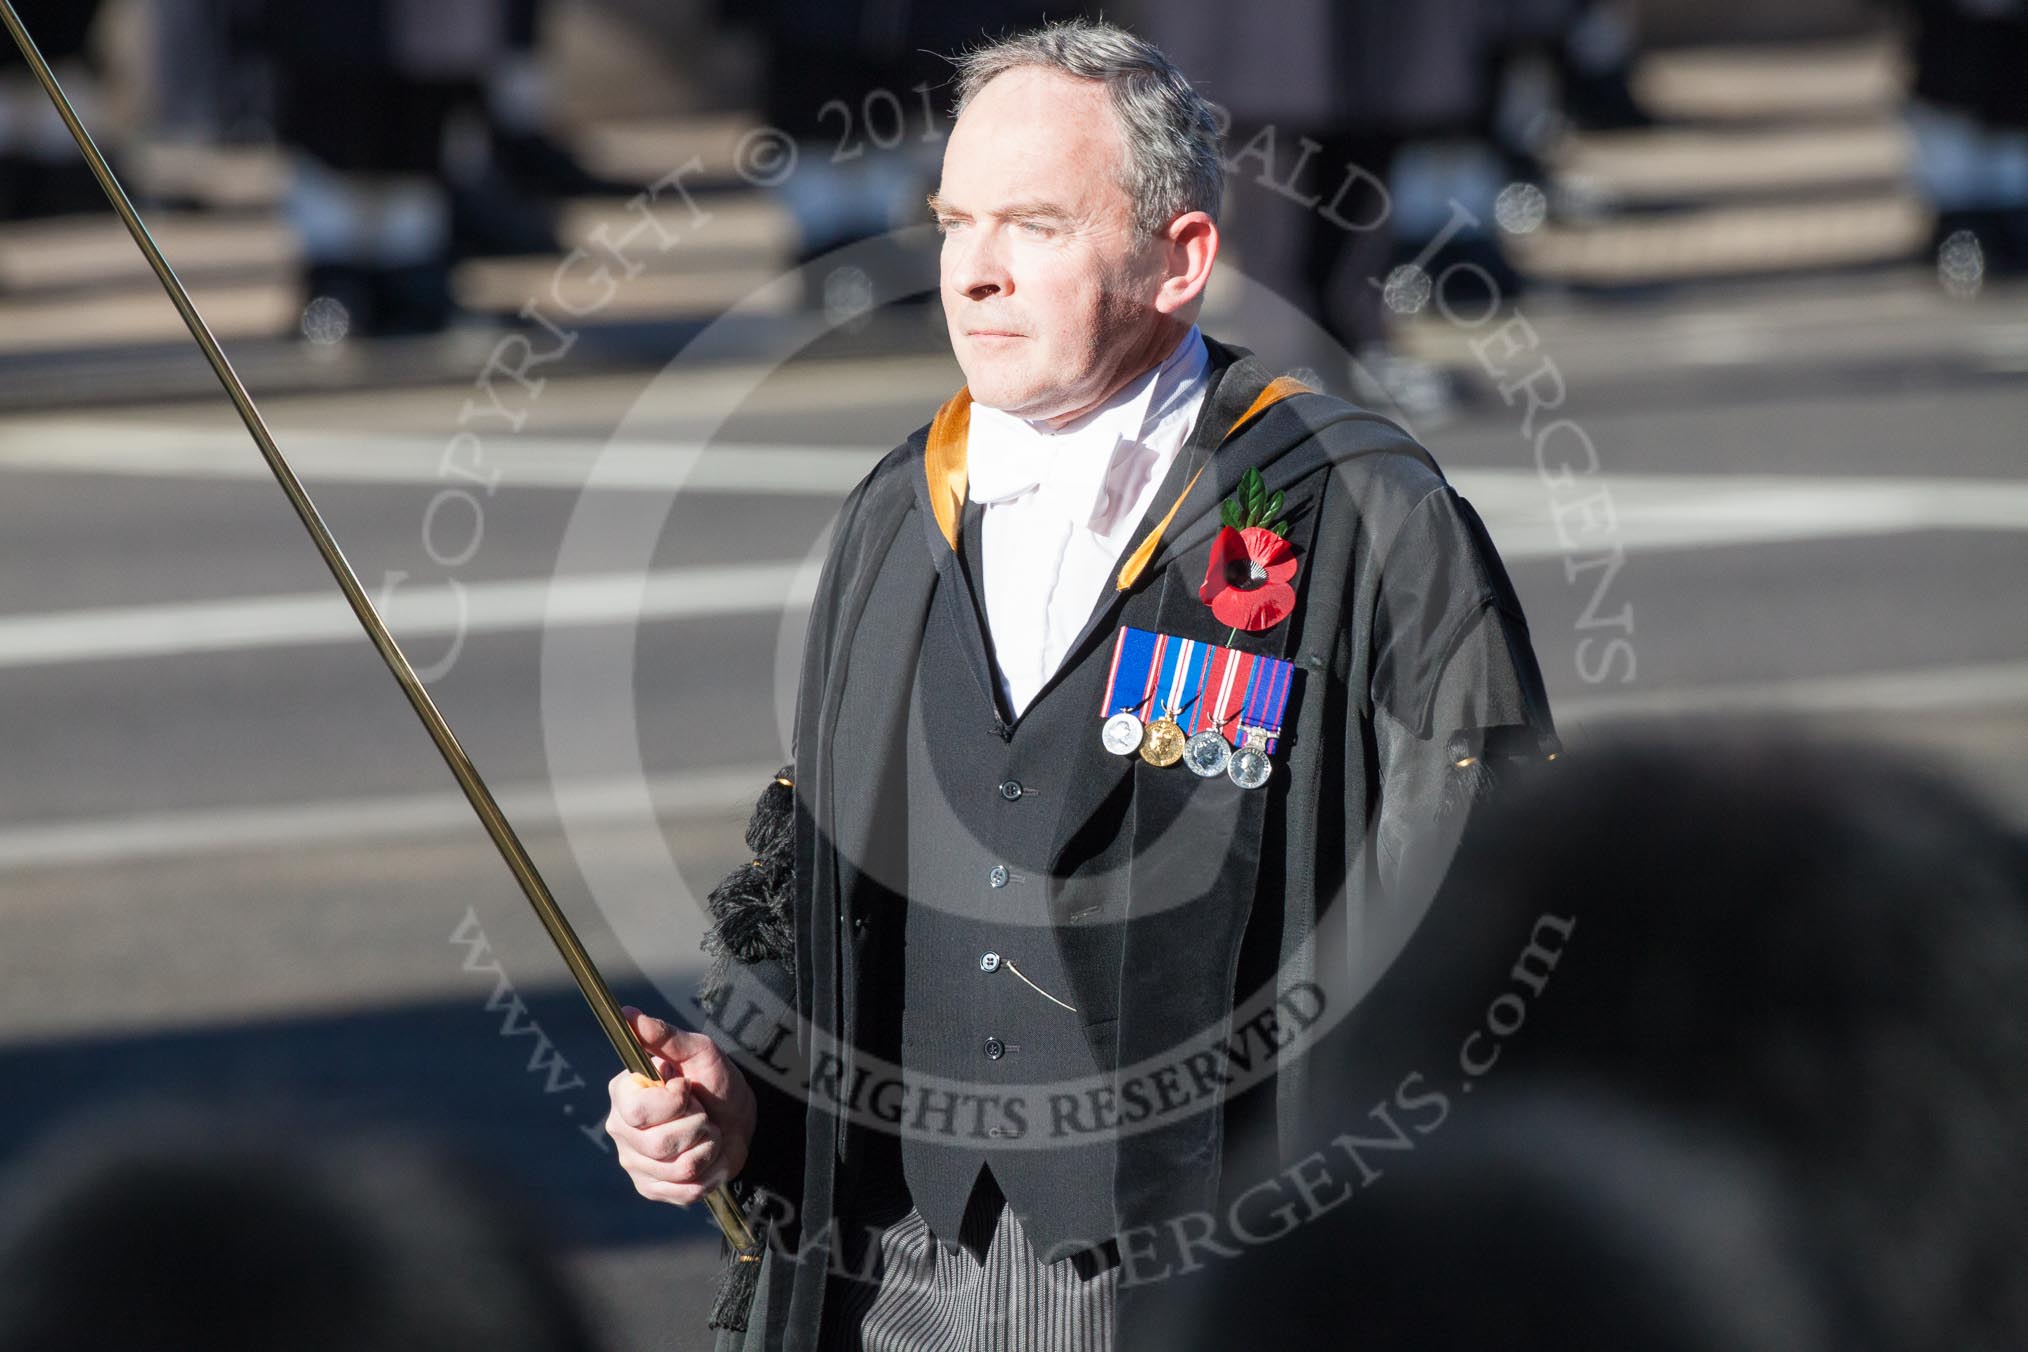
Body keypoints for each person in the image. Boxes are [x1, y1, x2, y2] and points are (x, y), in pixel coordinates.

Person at [605, 18, 1558, 1350]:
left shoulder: (1360, 515)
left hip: (1201, 1282)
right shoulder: (896, 511)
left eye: (1036, 226)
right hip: (903, 1271)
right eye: (955, 222)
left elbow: (1488, 924)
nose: (975, 274)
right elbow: (823, 893)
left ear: (1178, 262)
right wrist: (741, 1090)